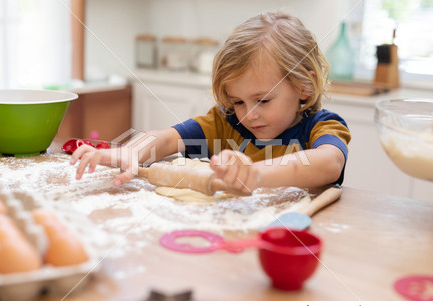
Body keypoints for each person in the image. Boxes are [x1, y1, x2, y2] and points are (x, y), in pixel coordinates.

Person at [70, 11, 351, 194]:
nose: (248, 115)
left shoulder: (320, 127)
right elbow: (167, 139)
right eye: (238, 101)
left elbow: (329, 163)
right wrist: (131, 152)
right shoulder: (224, 122)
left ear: (304, 86)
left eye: (263, 100)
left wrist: (255, 174)